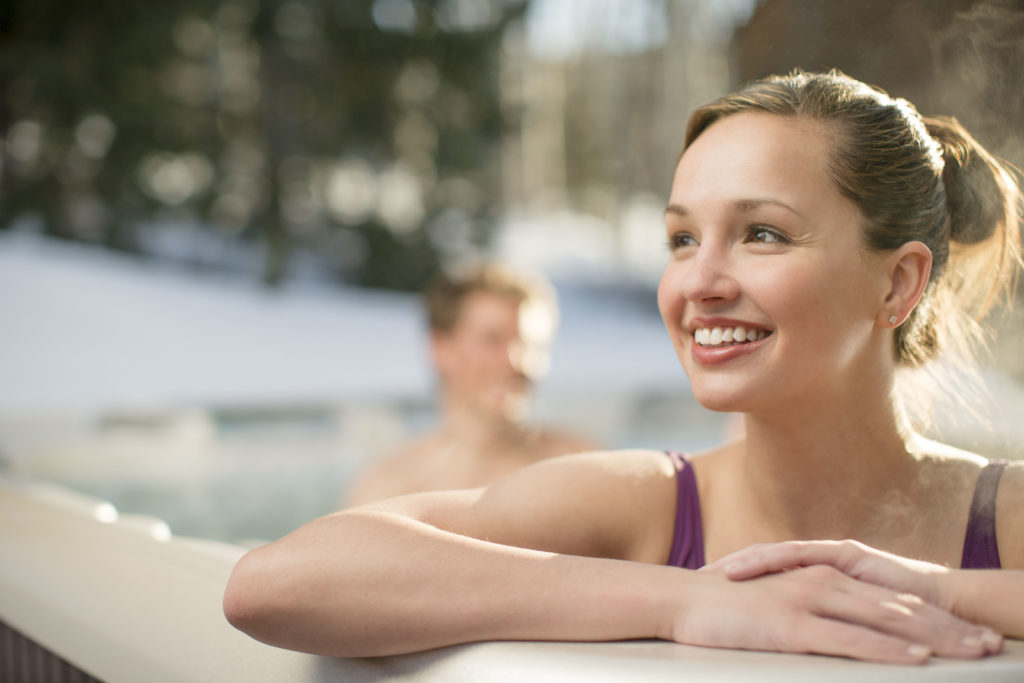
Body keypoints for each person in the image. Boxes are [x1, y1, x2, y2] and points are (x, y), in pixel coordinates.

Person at [223, 70, 1023, 665]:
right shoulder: (644, 506)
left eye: (764, 234)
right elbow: (275, 582)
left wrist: (943, 590)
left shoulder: (1005, 516)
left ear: (898, 281)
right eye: (682, 238)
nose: (698, 284)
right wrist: (686, 598)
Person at [345, 263, 599, 506]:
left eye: (531, 344)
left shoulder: (583, 469)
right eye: (492, 339)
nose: (516, 361)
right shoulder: (388, 491)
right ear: (440, 349)